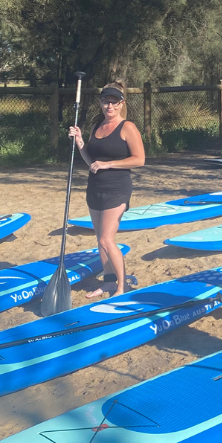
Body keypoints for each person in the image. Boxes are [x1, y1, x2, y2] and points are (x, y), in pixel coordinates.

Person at [67, 81, 145, 299]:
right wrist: (80, 141)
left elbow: (139, 160)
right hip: (95, 187)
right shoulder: (96, 127)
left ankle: (122, 286)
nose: (109, 106)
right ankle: (108, 283)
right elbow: (91, 160)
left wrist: (108, 164)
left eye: (113, 102)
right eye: (105, 102)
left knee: (106, 240)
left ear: (121, 104)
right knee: (99, 238)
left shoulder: (127, 127)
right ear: (100, 103)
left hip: (117, 188)